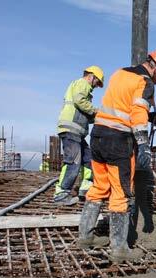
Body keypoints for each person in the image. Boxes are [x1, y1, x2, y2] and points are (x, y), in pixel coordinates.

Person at [78, 49, 156, 262]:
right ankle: (119, 249)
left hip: (99, 135)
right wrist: (143, 143)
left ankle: (85, 237)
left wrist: (150, 115)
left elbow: (123, 103)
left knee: (98, 187)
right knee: (120, 193)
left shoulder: (119, 73)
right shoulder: (145, 81)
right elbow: (137, 112)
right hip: (119, 141)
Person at [54, 66, 104, 205]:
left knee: (89, 159)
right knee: (73, 160)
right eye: (97, 82)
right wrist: (97, 111)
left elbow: (85, 113)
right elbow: (80, 101)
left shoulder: (82, 87)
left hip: (77, 131)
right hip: (71, 128)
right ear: (92, 77)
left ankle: (85, 188)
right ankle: (61, 194)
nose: (96, 86)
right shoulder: (83, 83)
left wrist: (99, 118)